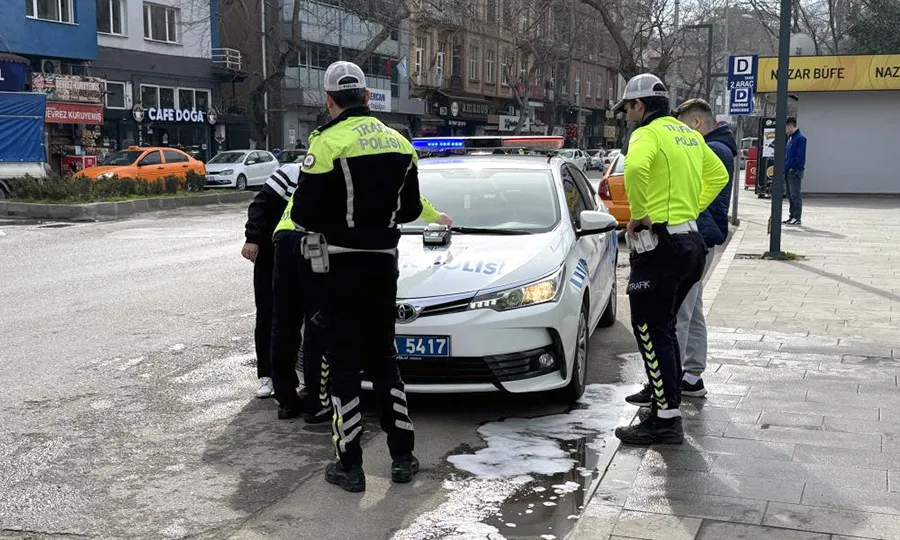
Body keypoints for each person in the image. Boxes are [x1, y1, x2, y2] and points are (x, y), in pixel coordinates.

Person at [273, 60, 423, 492]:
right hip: (383, 264)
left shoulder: (326, 143)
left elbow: (302, 213)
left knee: (343, 364)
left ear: (329, 99)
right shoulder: (399, 142)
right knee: (385, 361)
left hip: (337, 267)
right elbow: (411, 210)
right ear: (368, 97)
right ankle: (403, 457)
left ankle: (350, 466)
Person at [245, 168, 450, 416]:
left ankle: (286, 400)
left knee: (284, 319)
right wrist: (437, 216)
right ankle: (316, 404)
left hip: (284, 237)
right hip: (313, 240)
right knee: (317, 320)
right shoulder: (354, 165)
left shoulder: (316, 164)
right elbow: (408, 200)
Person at [612, 74, 729, 445]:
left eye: (627, 108)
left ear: (639, 105)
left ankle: (665, 420)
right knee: (665, 329)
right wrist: (689, 210)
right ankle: (664, 397)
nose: (626, 115)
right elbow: (719, 175)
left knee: (649, 328)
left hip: (661, 245)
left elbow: (633, 169)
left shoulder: (646, 135)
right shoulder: (689, 135)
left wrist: (642, 214)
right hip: (691, 241)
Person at [673, 98, 737, 397]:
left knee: (680, 311)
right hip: (705, 237)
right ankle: (693, 375)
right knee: (693, 307)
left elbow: (692, 191)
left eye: (683, 126)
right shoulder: (721, 147)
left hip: (699, 235)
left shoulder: (713, 150)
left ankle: (671, 380)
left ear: (696, 123)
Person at [783, 117, 807, 226]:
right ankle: (791, 216)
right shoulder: (790, 138)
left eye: (786, 128)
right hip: (788, 171)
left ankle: (797, 217)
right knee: (789, 194)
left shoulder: (800, 138)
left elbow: (800, 157)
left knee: (795, 195)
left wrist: (794, 168)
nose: (785, 130)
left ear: (790, 126)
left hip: (794, 171)